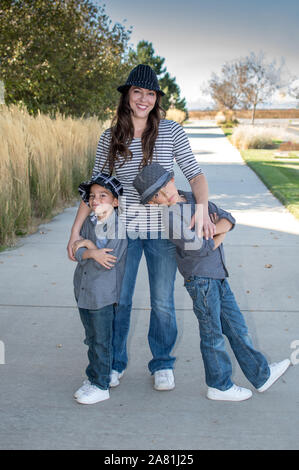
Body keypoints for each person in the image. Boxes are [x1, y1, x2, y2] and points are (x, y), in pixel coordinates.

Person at [67, 64, 216, 391]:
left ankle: (162, 363)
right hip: (120, 233)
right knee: (119, 298)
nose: (144, 99)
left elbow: (195, 173)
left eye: (150, 94)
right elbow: (96, 189)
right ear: (126, 96)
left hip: (163, 232)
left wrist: (202, 209)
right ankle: (114, 363)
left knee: (162, 300)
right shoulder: (110, 137)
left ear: (156, 99)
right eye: (138, 92)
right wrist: (76, 230)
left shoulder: (171, 131)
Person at [133, 162, 291, 401]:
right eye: (158, 195)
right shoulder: (172, 218)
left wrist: (214, 229)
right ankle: (219, 385)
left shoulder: (193, 199)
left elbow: (228, 216)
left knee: (238, 328)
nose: (166, 195)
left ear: (172, 181)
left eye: (165, 187)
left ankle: (262, 374)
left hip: (218, 275)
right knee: (212, 334)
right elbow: (200, 249)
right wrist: (221, 232)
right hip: (201, 282)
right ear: (153, 201)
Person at [72, 172, 127, 405]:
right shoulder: (88, 222)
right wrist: (86, 250)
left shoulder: (119, 226)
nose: (95, 200)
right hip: (84, 291)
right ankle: (93, 376)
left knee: (101, 341)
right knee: (91, 338)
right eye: (92, 196)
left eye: (103, 195)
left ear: (115, 201)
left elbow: (107, 260)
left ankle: (101, 385)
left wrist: (89, 247)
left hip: (103, 296)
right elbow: (75, 251)